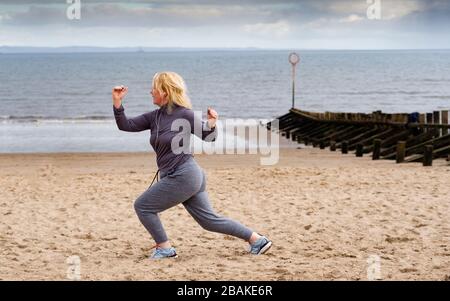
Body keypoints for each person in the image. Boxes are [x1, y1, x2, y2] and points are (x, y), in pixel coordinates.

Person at [112, 71, 272, 259]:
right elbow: (126, 125)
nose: (150, 91)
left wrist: (212, 123)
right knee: (209, 221)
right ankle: (257, 240)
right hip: (182, 175)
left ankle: (164, 248)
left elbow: (208, 137)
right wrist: (117, 102)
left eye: (154, 88)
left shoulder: (185, 114)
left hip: (183, 174)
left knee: (143, 206)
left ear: (165, 91)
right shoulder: (154, 117)